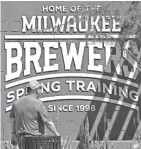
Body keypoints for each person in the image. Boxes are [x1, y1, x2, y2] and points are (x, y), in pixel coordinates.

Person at [9, 80, 60, 149]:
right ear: (36, 90)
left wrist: (13, 134)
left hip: (21, 139)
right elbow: (48, 122)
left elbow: (12, 120)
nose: (41, 91)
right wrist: (57, 134)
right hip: (35, 140)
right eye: (40, 88)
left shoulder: (16, 103)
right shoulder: (38, 103)